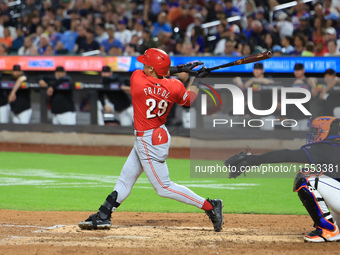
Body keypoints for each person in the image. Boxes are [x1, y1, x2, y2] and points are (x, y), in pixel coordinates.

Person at [78, 48, 223, 232]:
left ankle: (211, 206)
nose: (143, 66)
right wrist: (198, 79)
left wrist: (180, 68)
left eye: (146, 64)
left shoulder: (137, 80)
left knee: (164, 187)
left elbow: (156, 73)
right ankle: (103, 216)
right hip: (155, 136)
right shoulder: (175, 86)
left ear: (152, 69)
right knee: (125, 180)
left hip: (149, 141)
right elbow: (188, 99)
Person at [224, 116, 340, 242]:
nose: (314, 133)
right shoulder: (333, 148)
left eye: (318, 130)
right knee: (325, 177)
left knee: (305, 176)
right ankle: (334, 227)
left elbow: (286, 154)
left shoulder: (325, 147)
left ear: (327, 132)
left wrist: (254, 160)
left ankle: (328, 230)